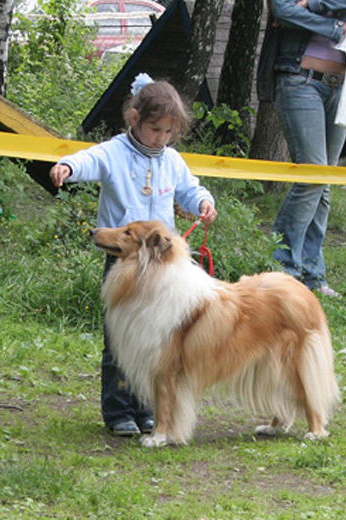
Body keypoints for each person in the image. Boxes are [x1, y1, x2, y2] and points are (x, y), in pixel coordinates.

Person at [49, 73, 217, 436]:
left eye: (168, 132)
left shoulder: (171, 159)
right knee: (119, 342)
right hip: (124, 263)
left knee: (156, 341)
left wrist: (203, 201)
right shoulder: (114, 151)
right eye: (156, 129)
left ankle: (148, 410)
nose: (162, 138)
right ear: (134, 119)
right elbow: (89, 159)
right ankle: (117, 410)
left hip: (160, 268)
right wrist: (69, 167)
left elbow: (190, 189)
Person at [257, 0, 346, 297]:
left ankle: (312, 275)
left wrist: (310, 5)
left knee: (324, 183)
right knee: (313, 177)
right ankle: (283, 270)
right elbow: (282, 10)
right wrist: (337, 25)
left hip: (341, 85)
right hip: (299, 81)